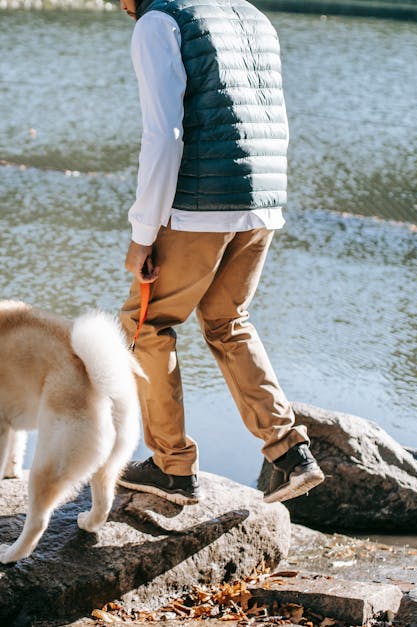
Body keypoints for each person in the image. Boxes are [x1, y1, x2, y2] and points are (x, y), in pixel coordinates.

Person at [112, 0, 324, 505]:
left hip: (200, 206)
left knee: (146, 325)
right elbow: (274, 116)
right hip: (263, 198)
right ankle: (290, 454)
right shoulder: (250, 14)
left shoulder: (159, 22)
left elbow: (165, 135)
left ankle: (172, 468)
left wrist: (143, 233)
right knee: (228, 319)